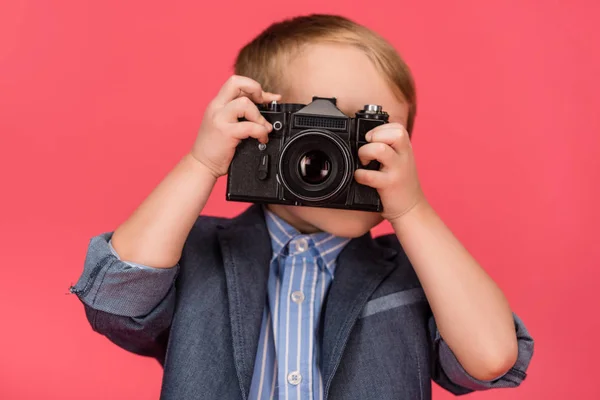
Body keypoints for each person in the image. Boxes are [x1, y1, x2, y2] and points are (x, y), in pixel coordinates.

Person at [70, 14, 534, 400]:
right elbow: (116, 297)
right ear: (256, 126)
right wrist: (202, 162)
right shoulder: (194, 255)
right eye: (326, 127)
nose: (349, 156)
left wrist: (412, 210)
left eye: (374, 133)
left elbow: (490, 358)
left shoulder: (414, 275)